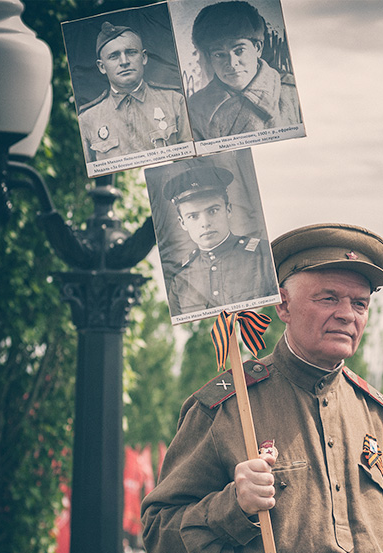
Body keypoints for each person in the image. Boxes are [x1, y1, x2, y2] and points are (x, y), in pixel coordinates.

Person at [141, 223, 383, 553]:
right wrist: (233, 507)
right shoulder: (227, 406)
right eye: (328, 297)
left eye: (359, 303)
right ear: (283, 304)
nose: (347, 314)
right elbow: (163, 538)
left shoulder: (382, 421)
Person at [160, 163, 277, 317]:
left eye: (213, 211)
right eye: (193, 216)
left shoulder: (264, 257)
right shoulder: (180, 277)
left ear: (228, 210)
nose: (205, 223)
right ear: (182, 223)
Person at [187, 1, 302, 140]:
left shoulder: (292, 91)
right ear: (210, 58)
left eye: (239, 50)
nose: (232, 63)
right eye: (219, 54)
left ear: (258, 48)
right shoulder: (195, 107)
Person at [78, 21, 191, 162]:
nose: (124, 61)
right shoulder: (87, 119)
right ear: (102, 66)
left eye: (131, 53)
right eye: (114, 56)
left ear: (143, 57)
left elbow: (190, 161)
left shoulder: (174, 101)